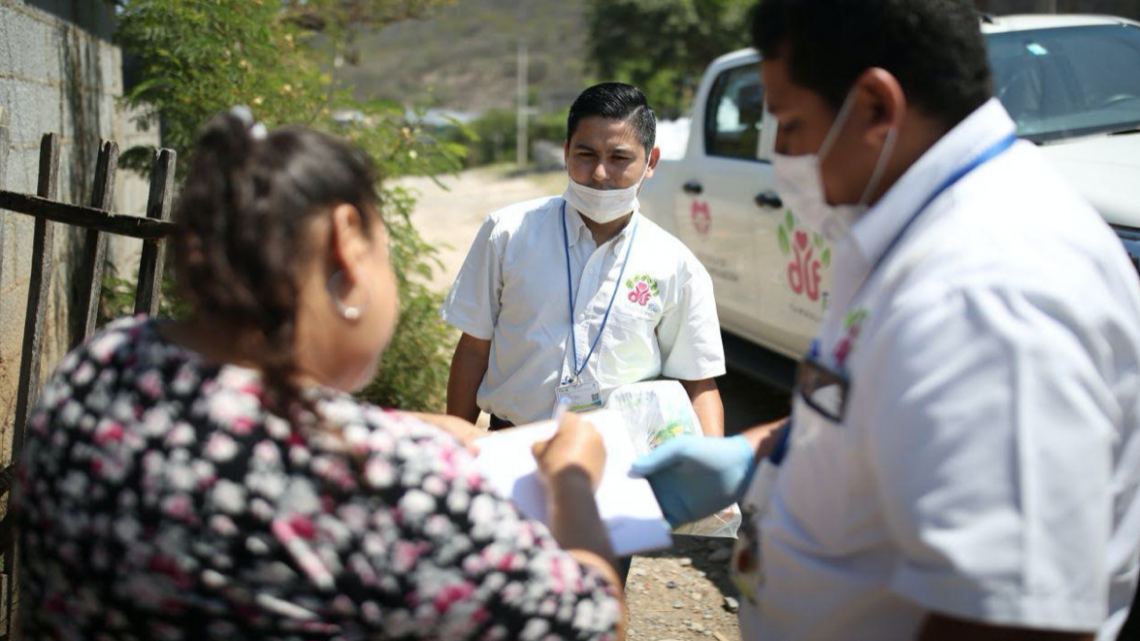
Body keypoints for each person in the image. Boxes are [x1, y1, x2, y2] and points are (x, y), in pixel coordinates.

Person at [632, 1, 1140, 640]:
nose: (781, 153)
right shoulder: (915, 224)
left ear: (875, 107)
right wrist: (760, 452)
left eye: (789, 123)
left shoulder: (987, 292)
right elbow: (894, 406)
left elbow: (1010, 618)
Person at [14, 109, 624, 641]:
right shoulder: (388, 481)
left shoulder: (104, 363)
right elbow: (588, 625)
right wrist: (571, 482)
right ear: (346, 244)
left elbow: (234, 422)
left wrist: (394, 427)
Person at [441, 83, 727, 434]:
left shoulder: (676, 266)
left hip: (623, 459)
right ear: (566, 153)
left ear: (650, 161)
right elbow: (474, 350)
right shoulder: (507, 233)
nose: (600, 174)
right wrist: (456, 445)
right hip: (513, 441)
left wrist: (712, 473)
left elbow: (698, 383)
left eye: (619, 158)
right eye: (586, 154)